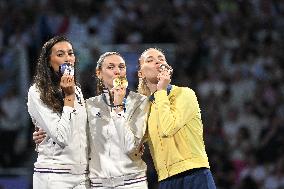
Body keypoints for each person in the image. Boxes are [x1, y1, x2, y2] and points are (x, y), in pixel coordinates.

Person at [137, 47, 216, 189]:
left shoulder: (185, 94)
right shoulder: (146, 107)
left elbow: (168, 128)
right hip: (166, 180)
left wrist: (161, 90)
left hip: (194, 174)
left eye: (161, 59)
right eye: (150, 60)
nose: (157, 62)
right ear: (141, 73)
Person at [27, 36, 89, 189]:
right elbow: (61, 137)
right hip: (55, 175)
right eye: (60, 54)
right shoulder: (37, 91)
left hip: (81, 176)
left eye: (70, 53)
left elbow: (81, 132)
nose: (68, 58)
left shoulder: (78, 91)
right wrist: (68, 98)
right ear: (48, 61)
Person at [86, 51, 149, 189]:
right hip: (99, 183)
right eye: (111, 67)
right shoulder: (89, 106)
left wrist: (118, 107)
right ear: (99, 73)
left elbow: (130, 146)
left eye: (121, 67)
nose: (117, 71)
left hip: (131, 182)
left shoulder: (139, 102)